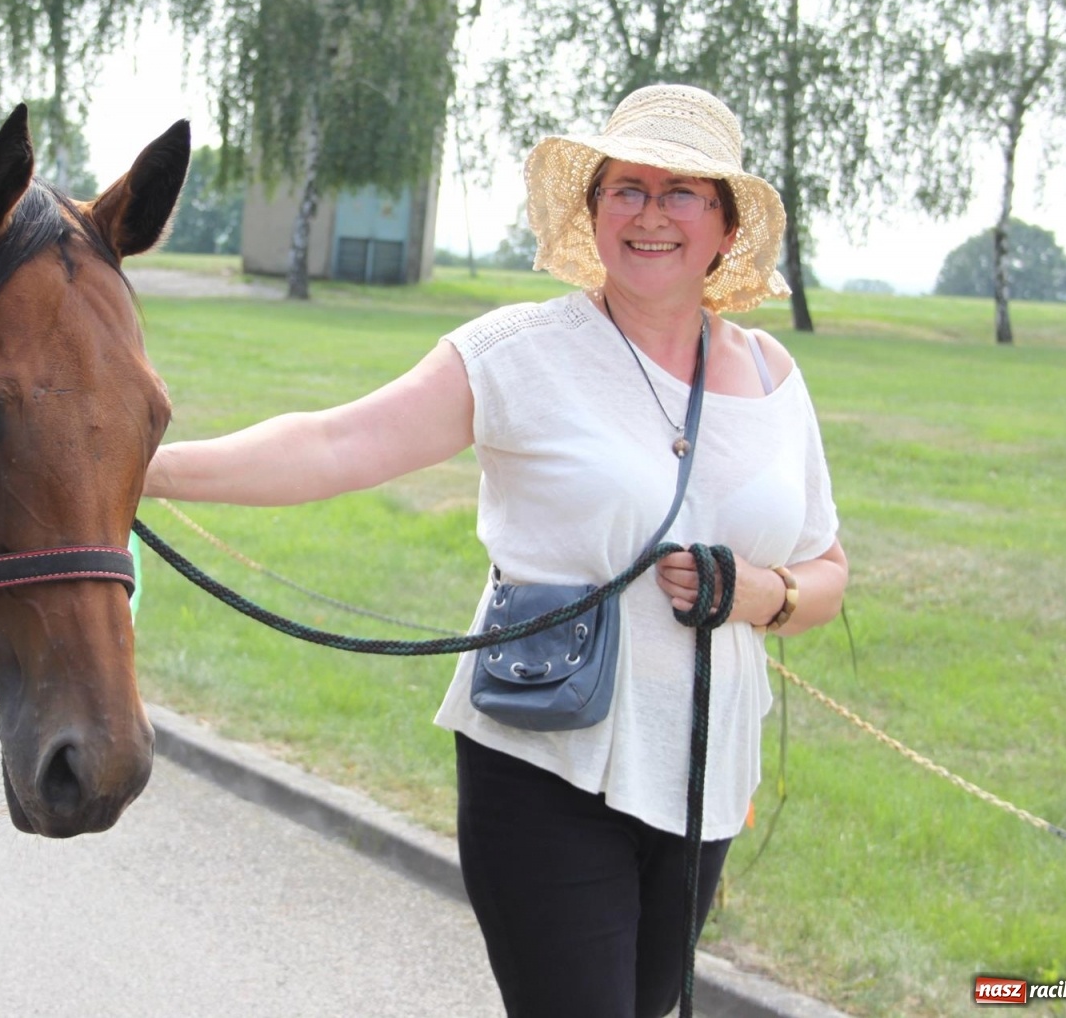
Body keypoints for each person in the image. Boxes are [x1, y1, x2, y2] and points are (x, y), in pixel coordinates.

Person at [144, 83, 847, 1018]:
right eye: (625, 189)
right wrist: (136, 470)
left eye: (682, 193)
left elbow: (828, 570)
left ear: (723, 227)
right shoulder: (519, 352)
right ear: (593, 215)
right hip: (546, 759)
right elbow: (336, 443)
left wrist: (765, 593)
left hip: (703, 774)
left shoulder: (770, 373)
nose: (649, 214)